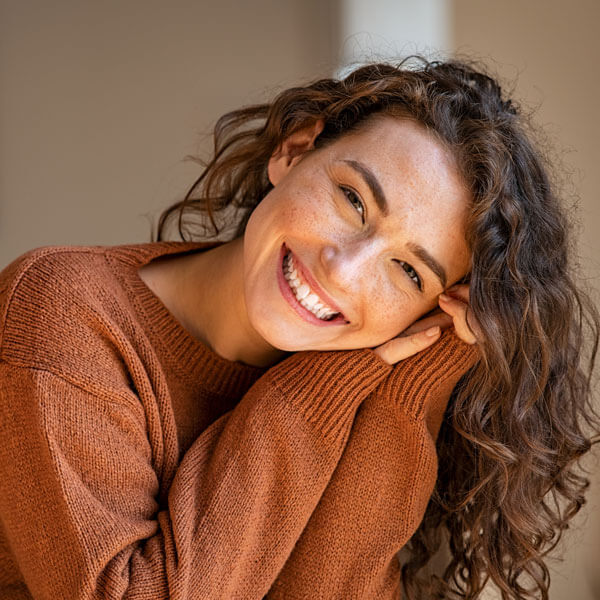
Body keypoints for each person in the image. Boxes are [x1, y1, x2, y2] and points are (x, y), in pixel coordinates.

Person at [0, 56, 597, 599]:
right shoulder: (64, 309)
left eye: (409, 273)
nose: (343, 269)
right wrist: (303, 399)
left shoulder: (368, 384)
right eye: (353, 200)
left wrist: (415, 376)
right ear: (293, 150)